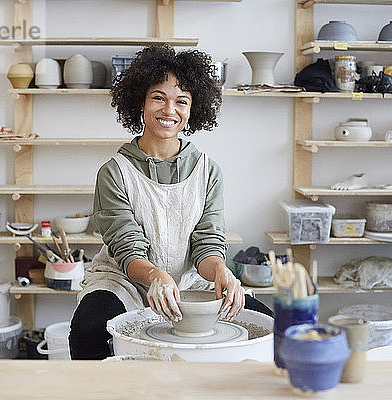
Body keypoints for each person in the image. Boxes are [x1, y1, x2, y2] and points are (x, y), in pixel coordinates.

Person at [69, 44, 273, 360]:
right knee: (88, 327)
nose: (169, 110)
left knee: (272, 324)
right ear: (141, 102)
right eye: (158, 98)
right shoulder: (115, 172)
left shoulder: (207, 170)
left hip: (193, 282)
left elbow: (207, 244)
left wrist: (220, 269)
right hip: (125, 282)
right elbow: (128, 249)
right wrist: (156, 277)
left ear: (193, 110)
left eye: (181, 101)